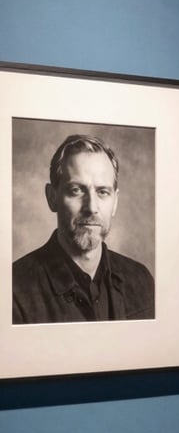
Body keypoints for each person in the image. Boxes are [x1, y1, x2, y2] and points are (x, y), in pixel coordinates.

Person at [12, 134, 155, 324]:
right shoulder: (13, 290)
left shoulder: (141, 279)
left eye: (103, 192)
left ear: (114, 202)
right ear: (52, 197)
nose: (91, 207)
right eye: (76, 190)